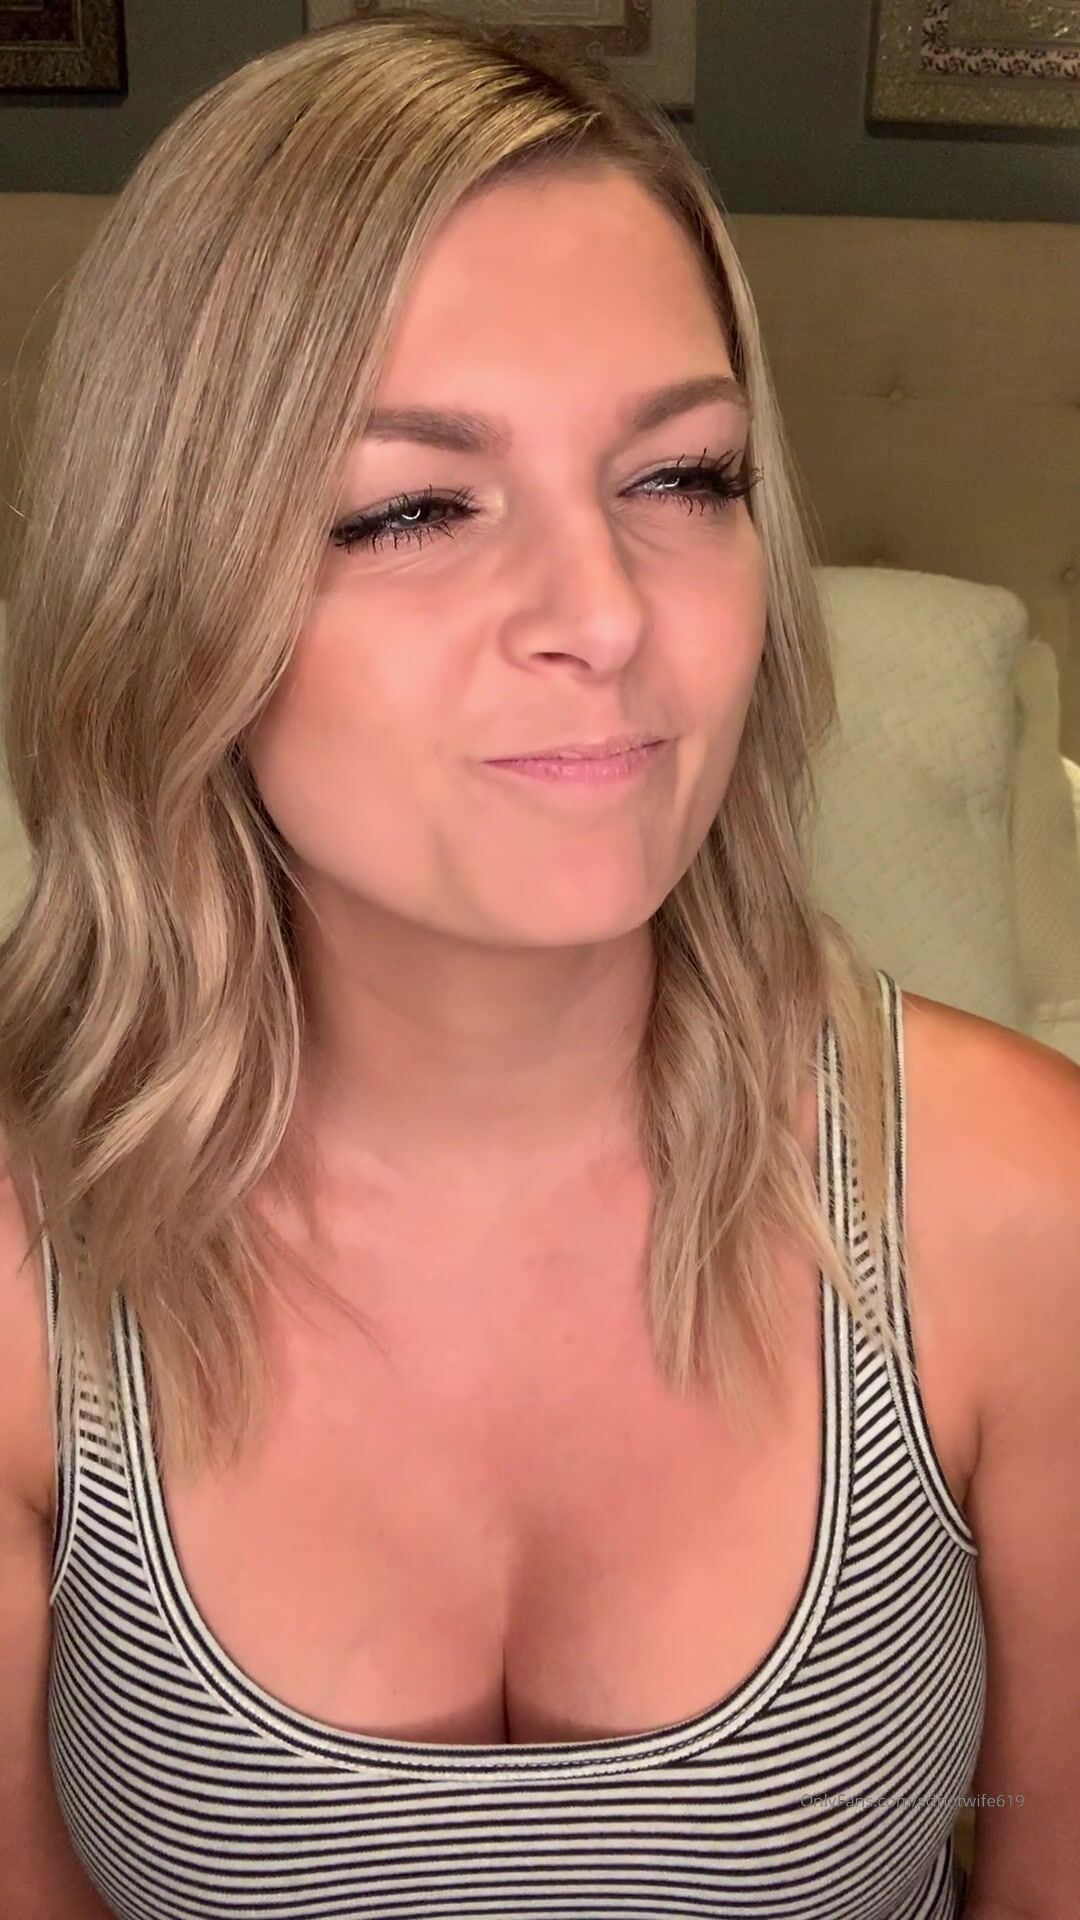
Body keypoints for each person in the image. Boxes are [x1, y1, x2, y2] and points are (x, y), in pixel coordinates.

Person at [0, 7, 1076, 1918]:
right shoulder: (26, 1254)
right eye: (413, 507)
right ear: (172, 592)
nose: (605, 613)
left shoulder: (1018, 1213)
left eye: (685, 479)